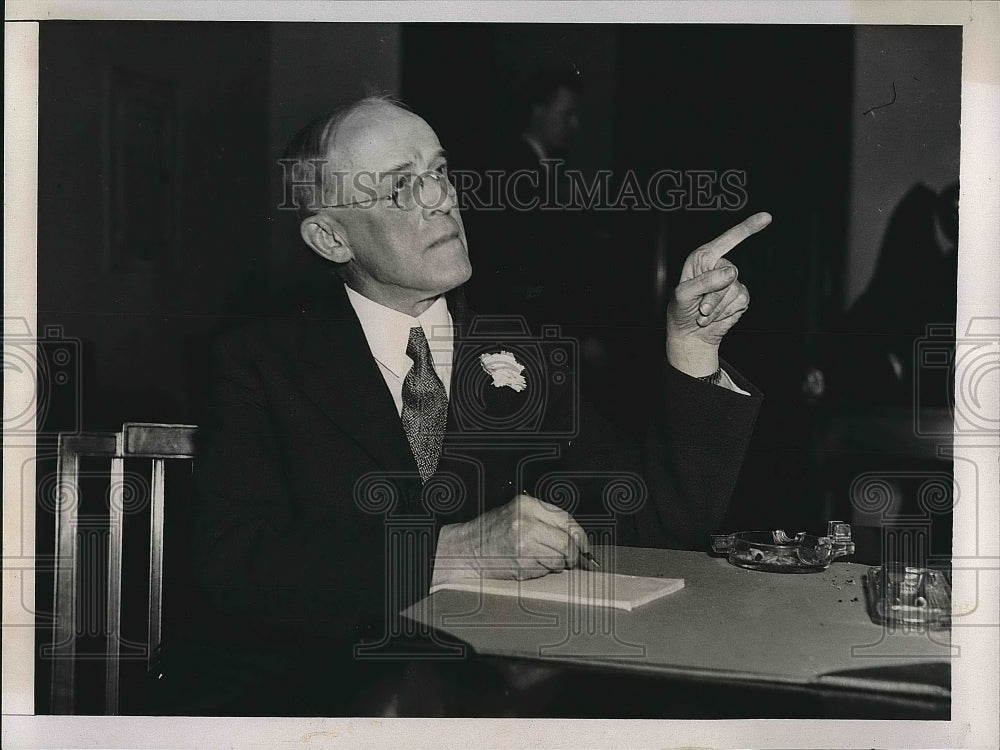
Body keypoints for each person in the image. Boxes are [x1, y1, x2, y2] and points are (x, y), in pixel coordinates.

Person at [170, 96, 769, 716]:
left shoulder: (524, 352)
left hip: (499, 703)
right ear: (330, 237)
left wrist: (693, 350)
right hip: (325, 703)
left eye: (439, 172)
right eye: (403, 187)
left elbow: (657, 522)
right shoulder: (262, 363)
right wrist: (449, 551)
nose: (442, 199)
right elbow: (232, 564)